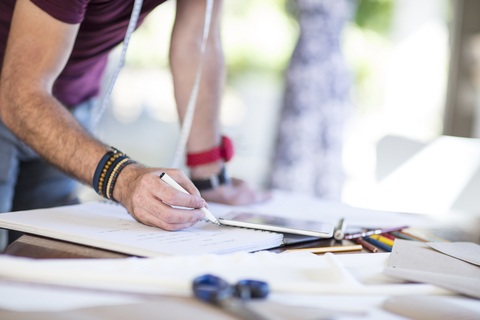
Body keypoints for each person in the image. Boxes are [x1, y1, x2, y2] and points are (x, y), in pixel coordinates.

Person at [0, 0, 270, 245]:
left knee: (41, 256)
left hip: (69, 106)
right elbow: (18, 95)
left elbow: (197, 39)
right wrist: (123, 179)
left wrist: (209, 178)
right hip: (15, 90)